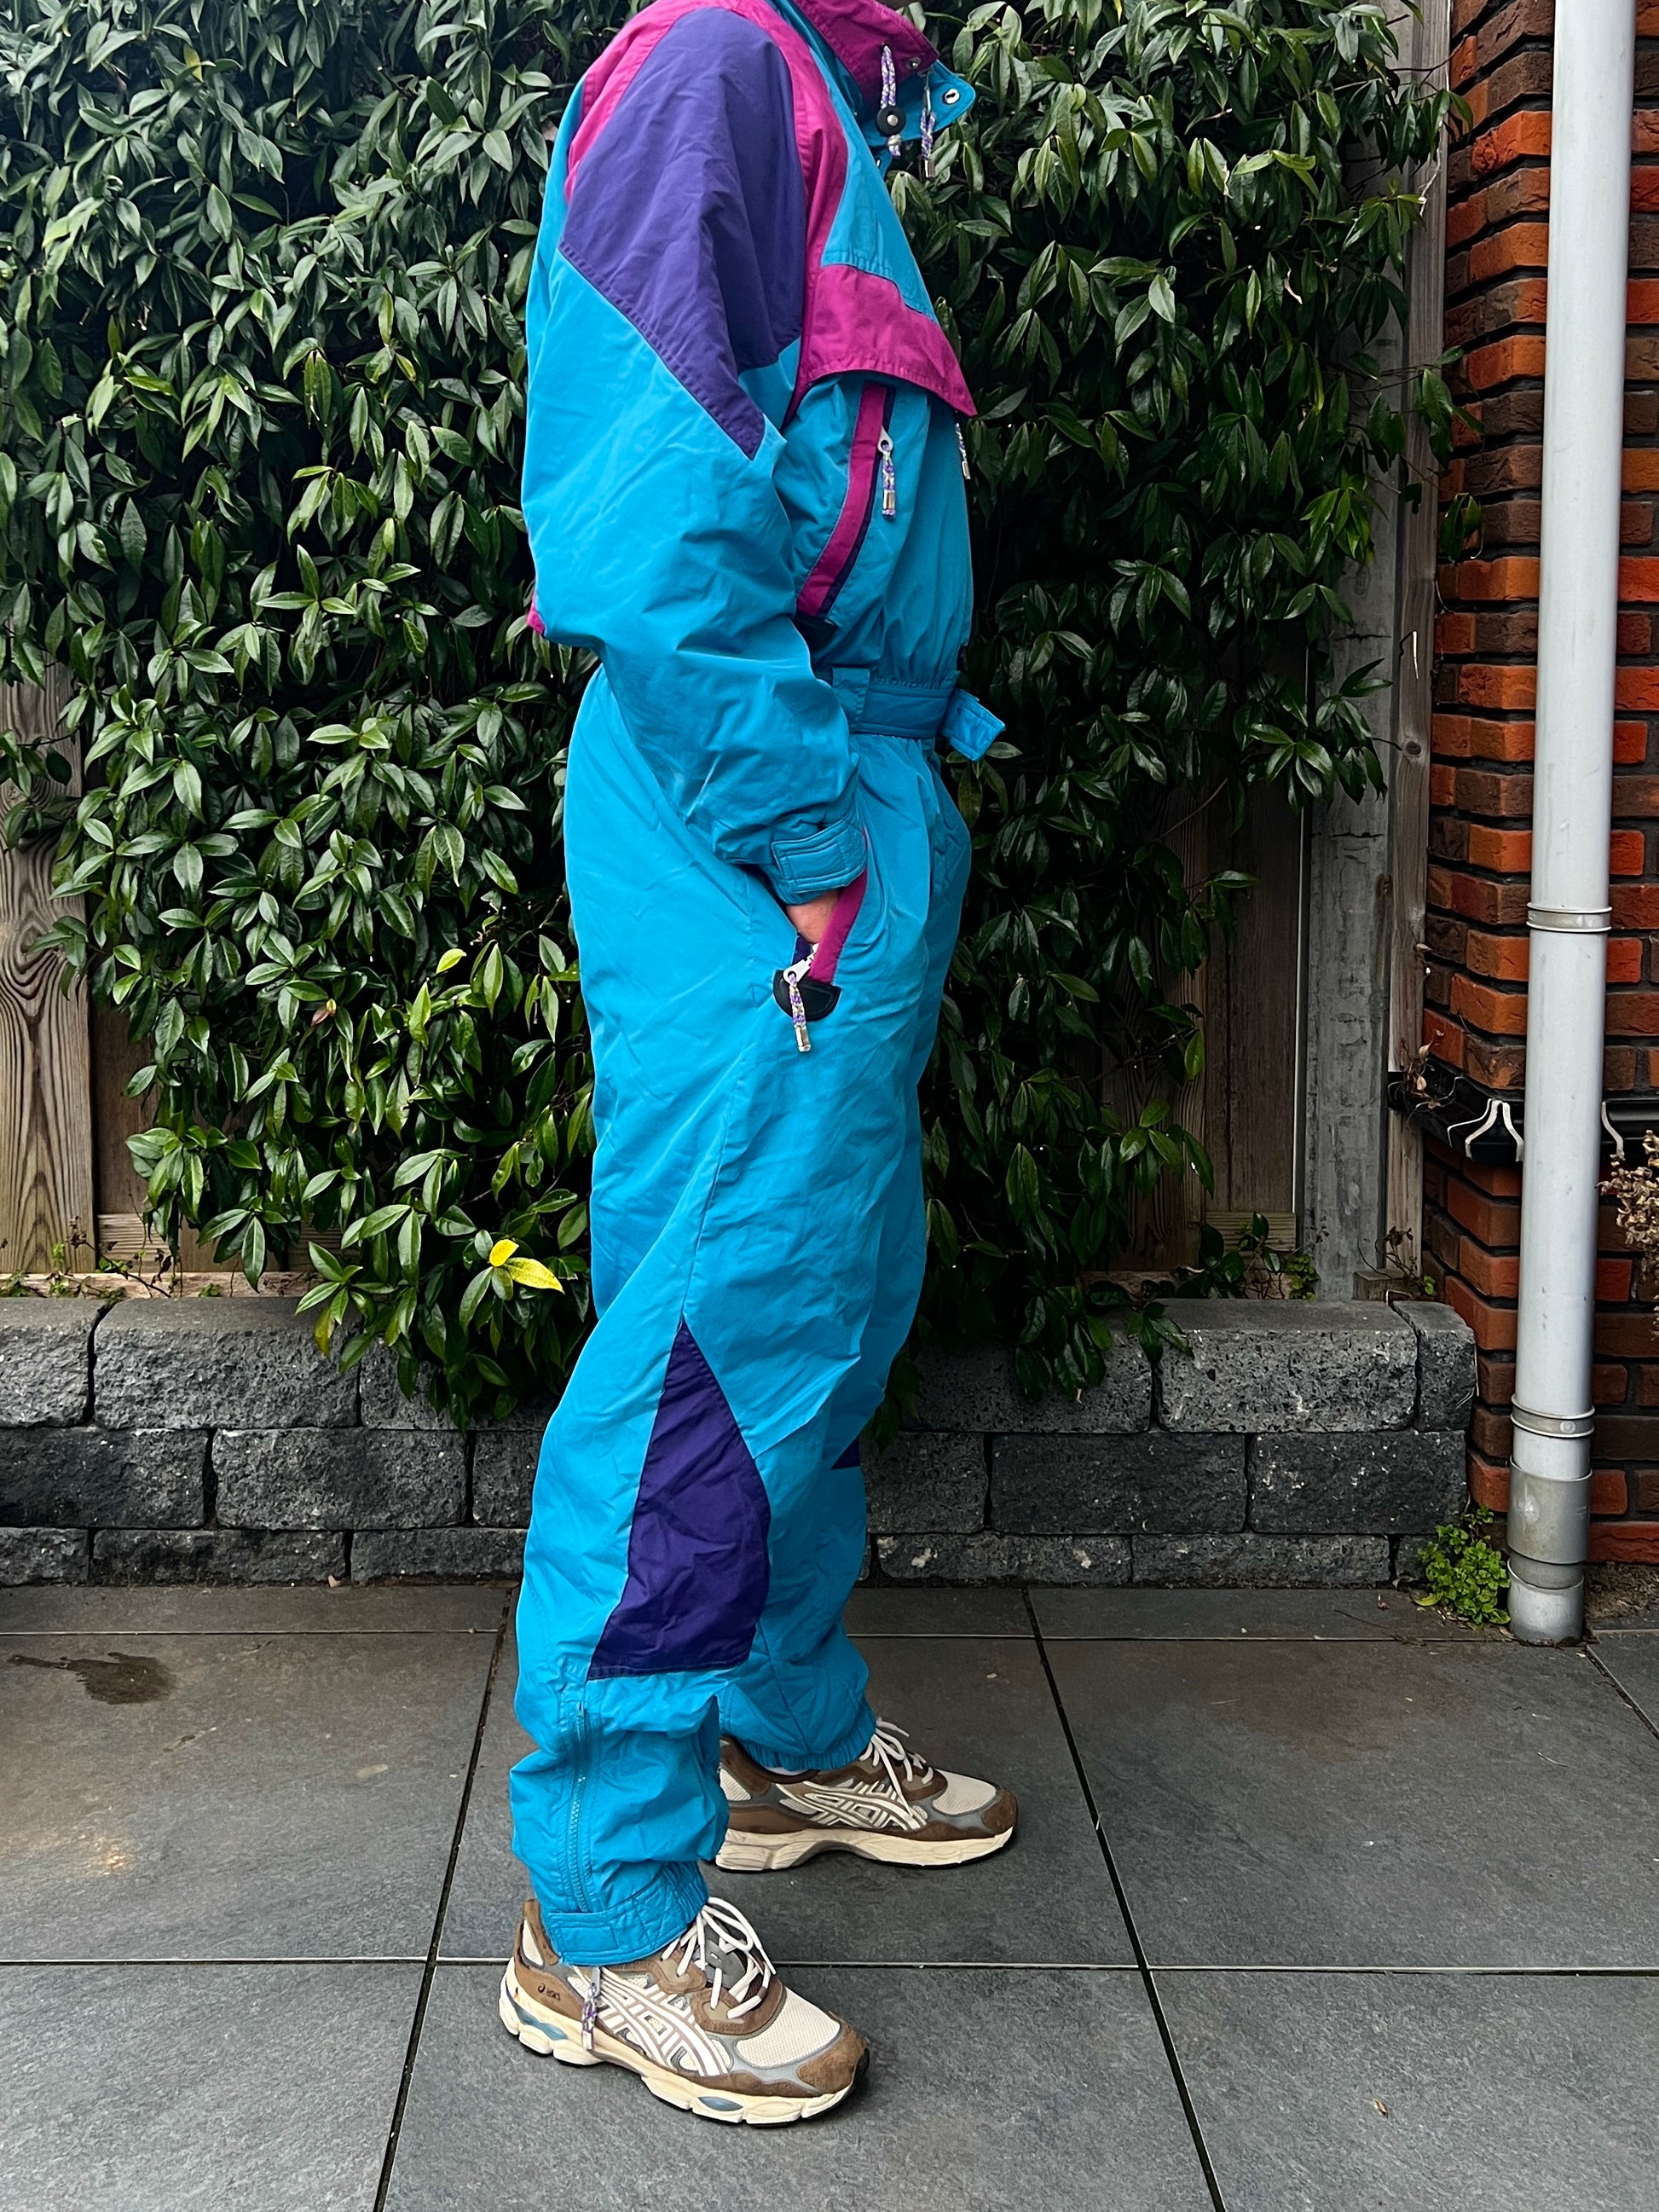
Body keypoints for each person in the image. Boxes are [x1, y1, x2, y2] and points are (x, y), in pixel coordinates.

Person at [504, 0, 1013, 2125]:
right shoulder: (721, 56)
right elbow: (642, 504)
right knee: (719, 1333)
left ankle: (778, 1730)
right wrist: (807, 830)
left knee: (827, 1299)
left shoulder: (820, 90)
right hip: (760, 800)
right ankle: (603, 1906)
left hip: (834, 787)